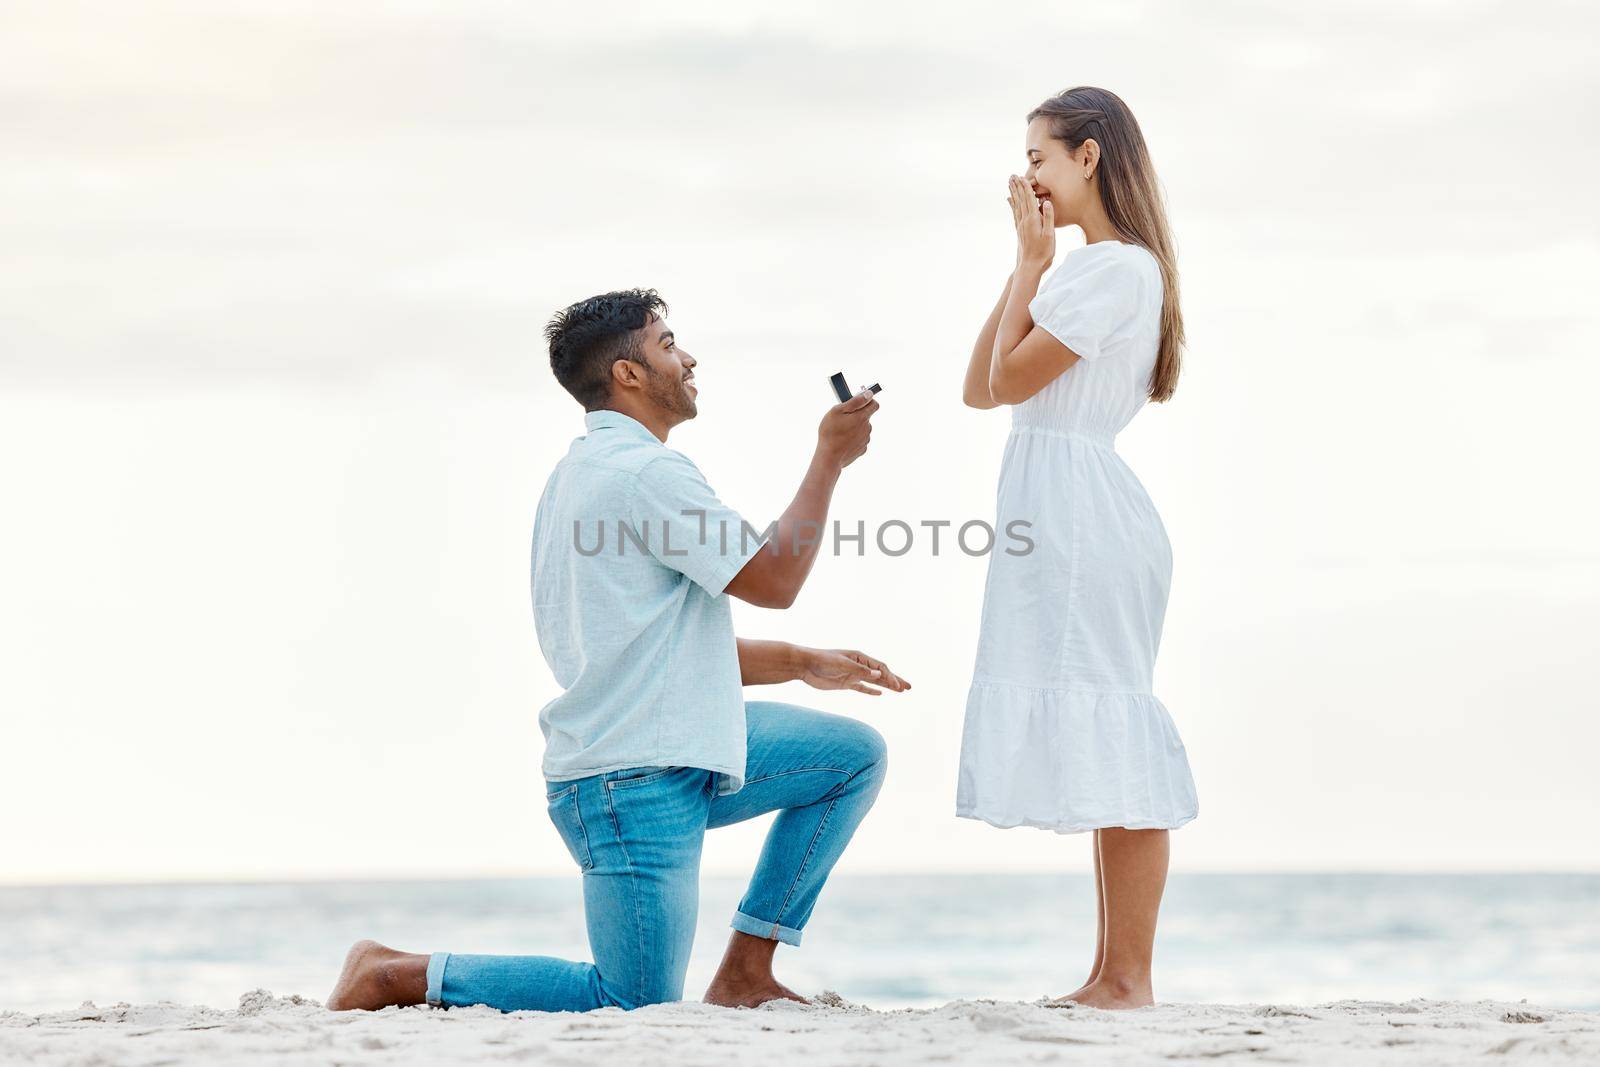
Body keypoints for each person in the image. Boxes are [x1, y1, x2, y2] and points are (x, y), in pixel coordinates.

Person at [326, 288, 909, 1013]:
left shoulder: (579, 473)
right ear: (628, 374)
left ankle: (746, 972)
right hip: (628, 780)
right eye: (668, 343)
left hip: (677, 746)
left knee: (850, 756)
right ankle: (393, 971)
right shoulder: (646, 474)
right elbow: (776, 578)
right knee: (632, 1000)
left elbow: (654, 650)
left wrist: (797, 661)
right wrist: (829, 458)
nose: (688, 356)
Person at [957, 86, 1199, 1010]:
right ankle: (1110, 974)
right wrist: (1025, 265)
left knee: (1115, 721)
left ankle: (1129, 976)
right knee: (1102, 728)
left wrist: (1032, 261)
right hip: (1058, 505)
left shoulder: (1116, 270)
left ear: (1089, 157)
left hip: (1085, 511)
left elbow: (1010, 375)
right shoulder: (1077, 268)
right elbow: (981, 391)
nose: (1028, 179)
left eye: (1038, 160)